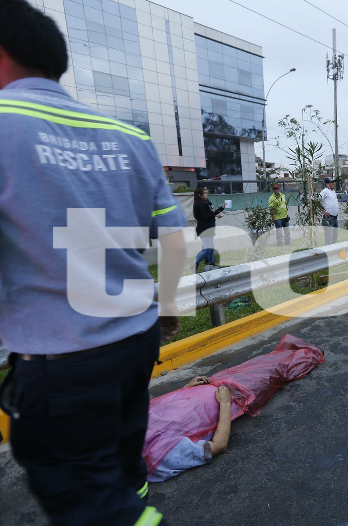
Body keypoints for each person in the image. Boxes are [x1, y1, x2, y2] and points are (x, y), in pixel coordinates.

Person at [0, 2, 187, 525]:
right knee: (123, 469)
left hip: (64, 363)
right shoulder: (130, 138)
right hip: (133, 342)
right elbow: (173, 238)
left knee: (91, 502)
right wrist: (168, 305)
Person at [148, 378, 232, 483]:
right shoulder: (161, 454)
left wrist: (185, 391)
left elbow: (162, 410)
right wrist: (225, 403)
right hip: (220, 401)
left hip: (206, 395)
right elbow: (218, 445)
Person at [191, 186, 223, 273]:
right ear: (200, 195)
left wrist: (221, 208)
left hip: (209, 228)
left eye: (206, 192)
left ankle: (212, 264)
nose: (206, 194)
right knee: (208, 249)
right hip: (204, 229)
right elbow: (206, 217)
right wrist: (213, 213)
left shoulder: (207, 203)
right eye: (204, 193)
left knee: (211, 248)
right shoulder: (200, 204)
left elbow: (212, 213)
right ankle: (194, 264)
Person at [320, 176, 339, 245]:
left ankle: (333, 253)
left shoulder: (333, 192)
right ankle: (327, 253)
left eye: (334, 182)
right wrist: (323, 211)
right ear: (327, 184)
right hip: (328, 218)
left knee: (334, 238)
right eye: (331, 182)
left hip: (335, 218)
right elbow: (317, 202)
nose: (334, 184)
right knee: (329, 239)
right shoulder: (324, 191)